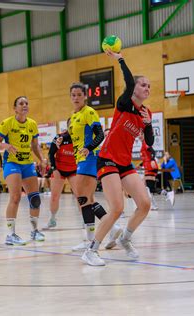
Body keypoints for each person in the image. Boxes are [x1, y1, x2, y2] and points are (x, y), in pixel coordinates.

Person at [82, 48, 154, 266]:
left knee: (144, 203)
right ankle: (91, 250)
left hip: (124, 163)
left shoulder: (145, 112)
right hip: (108, 159)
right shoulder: (125, 103)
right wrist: (120, 60)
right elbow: (130, 83)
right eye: (143, 84)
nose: (146, 88)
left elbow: (149, 142)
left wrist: (148, 124)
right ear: (134, 89)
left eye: (149, 86)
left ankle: (125, 238)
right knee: (117, 208)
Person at [67, 82, 122, 252]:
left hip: (89, 158)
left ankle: (89, 240)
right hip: (80, 160)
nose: (76, 98)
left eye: (79, 94)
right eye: (73, 95)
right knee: (88, 199)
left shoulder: (89, 112)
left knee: (83, 199)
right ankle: (112, 228)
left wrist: (88, 149)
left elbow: (99, 134)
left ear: (85, 96)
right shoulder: (74, 116)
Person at [0, 96, 47, 246]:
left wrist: (42, 159)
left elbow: (35, 145)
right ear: (15, 108)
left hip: (28, 163)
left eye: (26, 103)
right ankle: (10, 235)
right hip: (12, 163)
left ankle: (35, 231)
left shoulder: (32, 124)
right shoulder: (7, 123)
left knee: (35, 198)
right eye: (21, 103)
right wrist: (6, 146)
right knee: (16, 197)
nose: (24, 105)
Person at [43, 119, 78, 229]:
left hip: (74, 170)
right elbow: (51, 153)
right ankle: (52, 219)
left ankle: (85, 220)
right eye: (71, 125)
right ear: (67, 126)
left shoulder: (80, 138)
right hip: (59, 169)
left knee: (80, 196)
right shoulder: (60, 137)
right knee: (54, 196)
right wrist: (54, 169)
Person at [139, 136, 159, 209]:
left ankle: (167, 193)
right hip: (147, 166)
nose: (139, 136)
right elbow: (147, 156)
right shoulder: (143, 144)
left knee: (150, 187)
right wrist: (141, 164)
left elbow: (153, 152)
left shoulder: (145, 143)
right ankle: (150, 204)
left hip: (150, 166)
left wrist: (153, 160)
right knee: (143, 186)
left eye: (141, 134)